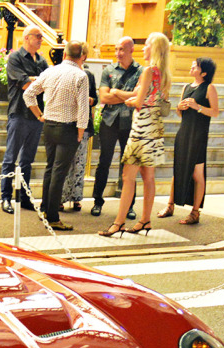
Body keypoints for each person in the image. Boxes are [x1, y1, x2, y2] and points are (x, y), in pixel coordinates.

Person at [98, 32, 170, 238]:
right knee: (148, 177)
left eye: (146, 44)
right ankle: (145, 220)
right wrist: (130, 98)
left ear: (154, 48)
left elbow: (137, 102)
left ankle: (118, 223)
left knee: (127, 177)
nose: (143, 48)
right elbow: (144, 98)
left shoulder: (148, 71)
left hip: (141, 128)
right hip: (155, 127)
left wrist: (120, 95)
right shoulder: (163, 73)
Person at [24, 40, 90, 230]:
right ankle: (52, 217)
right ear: (82, 56)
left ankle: (45, 209)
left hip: (49, 125)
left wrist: (39, 115)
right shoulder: (81, 76)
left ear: (64, 54)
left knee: (50, 168)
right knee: (59, 172)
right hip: (68, 128)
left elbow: (28, 94)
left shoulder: (50, 71)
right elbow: (83, 108)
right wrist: (80, 131)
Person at [160, 57, 219, 225]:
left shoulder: (209, 88)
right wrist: (179, 108)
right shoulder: (186, 87)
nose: (192, 66)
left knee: (197, 173)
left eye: (196, 66)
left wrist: (197, 107)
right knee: (177, 169)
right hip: (184, 132)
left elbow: (215, 112)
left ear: (204, 72)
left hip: (198, 135)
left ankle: (195, 212)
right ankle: (170, 205)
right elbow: (180, 113)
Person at [90, 36, 142, 218]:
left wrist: (117, 93)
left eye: (121, 49)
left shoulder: (141, 72)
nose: (118, 53)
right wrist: (128, 96)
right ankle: (97, 201)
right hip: (109, 121)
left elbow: (139, 98)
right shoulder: (109, 71)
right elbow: (103, 98)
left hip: (131, 122)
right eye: (116, 49)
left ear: (131, 51)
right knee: (104, 161)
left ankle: (129, 205)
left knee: (129, 165)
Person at [0, 27, 48, 214]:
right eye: (38, 37)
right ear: (27, 38)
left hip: (36, 116)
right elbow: (26, 85)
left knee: (28, 160)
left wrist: (35, 80)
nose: (41, 40)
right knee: (10, 159)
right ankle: (5, 197)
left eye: (41, 37)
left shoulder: (42, 60)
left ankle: (24, 197)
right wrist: (38, 81)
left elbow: (47, 82)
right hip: (19, 113)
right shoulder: (15, 58)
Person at [60, 42, 97, 212]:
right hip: (68, 122)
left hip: (84, 123)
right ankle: (60, 197)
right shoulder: (65, 72)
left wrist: (91, 100)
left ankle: (76, 198)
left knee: (80, 163)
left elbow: (95, 97)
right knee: (64, 163)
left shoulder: (88, 75)